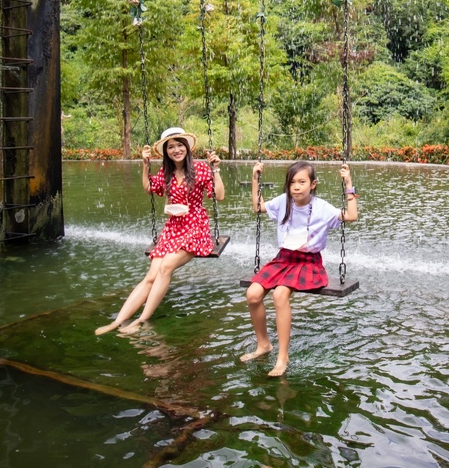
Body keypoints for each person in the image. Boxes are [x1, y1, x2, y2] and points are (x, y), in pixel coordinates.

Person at [95, 127, 225, 336]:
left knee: (165, 267)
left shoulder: (200, 168)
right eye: (171, 147)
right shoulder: (167, 172)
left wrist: (216, 169)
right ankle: (118, 321)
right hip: (173, 228)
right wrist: (145, 164)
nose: (176, 150)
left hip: (195, 227)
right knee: (151, 276)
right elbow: (149, 188)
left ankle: (141, 320)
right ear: (166, 152)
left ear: (187, 147)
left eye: (179, 145)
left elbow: (218, 196)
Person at [241, 160, 358, 376]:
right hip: (283, 258)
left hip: (308, 261)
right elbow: (258, 207)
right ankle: (263, 345)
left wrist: (349, 184)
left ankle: (282, 357)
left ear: (313, 184)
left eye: (302, 182)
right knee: (253, 294)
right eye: (292, 182)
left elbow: (351, 216)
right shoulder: (284, 201)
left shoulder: (322, 207)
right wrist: (255, 179)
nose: (296, 187)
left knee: (280, 295)